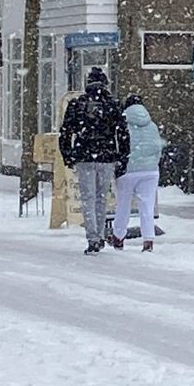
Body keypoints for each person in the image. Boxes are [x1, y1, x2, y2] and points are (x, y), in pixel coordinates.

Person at [59, 66, 129, 255]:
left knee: (88, 198)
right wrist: (122, 157)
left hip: (84, 156)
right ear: (105, 84)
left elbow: (66, 131)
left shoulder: (77, 104)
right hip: (106, 157)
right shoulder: (113, 104)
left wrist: (68, 154)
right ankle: (99, 233)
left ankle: (93, 237)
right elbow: (122, 133)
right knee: (101, 198)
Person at [110, 94, 163, 253]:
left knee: (123, 206)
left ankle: (118, 237)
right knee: (146, 206)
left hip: (128, 170)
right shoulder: (152, 125)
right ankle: (148, 241)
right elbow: (157, 148)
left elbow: (118, 146)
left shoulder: (122, 124)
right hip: (150, 171)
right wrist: (153, 162)